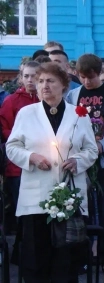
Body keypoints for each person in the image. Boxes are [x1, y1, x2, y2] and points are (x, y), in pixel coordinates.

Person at [6, 62, 98, 283]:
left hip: (68, 196)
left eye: (50, 81)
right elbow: (12, 146)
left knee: (66, 257)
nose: (44, 86)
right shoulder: (27, 114)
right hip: (36, 197)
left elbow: (91, 149)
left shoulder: (79, 114)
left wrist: (78, 160)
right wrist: (31, 157)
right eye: (40, 81)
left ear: (64, 86)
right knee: (36, 256)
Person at [66, 53, 104, 263]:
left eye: (92, 76)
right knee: (81, 206)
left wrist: (101, 144)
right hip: (82, 158)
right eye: (83, 77)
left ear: (99, 72)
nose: (87, 81)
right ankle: (84, 256)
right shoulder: (73, 95)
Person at [0, 61, 40, 210]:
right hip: (17, 164)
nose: (30, 80)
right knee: (21, 208)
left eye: (34, 76)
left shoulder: (47, 100)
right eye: (26, 76)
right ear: (21, 78)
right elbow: (5, 129)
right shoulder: (11, 101)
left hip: (43, 161)